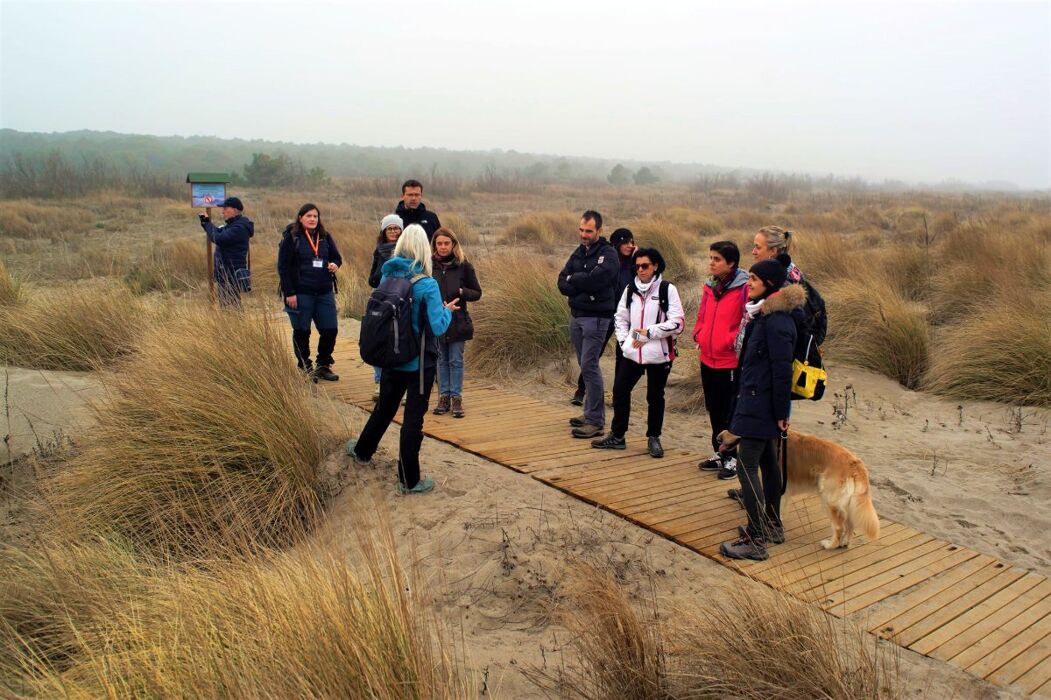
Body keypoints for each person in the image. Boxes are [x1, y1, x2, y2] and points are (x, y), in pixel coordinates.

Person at [346, 225, 459, 495]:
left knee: (384, 408)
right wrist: (448, 312)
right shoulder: (427, 284)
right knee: (412, 420)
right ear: (423, 248)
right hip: (419, 363)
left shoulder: (388, 277)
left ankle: (362, 452)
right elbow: (438, 327)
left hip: (391, 359)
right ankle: (409, 480)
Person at [719, 259, 805, 561]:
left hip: (762, 405)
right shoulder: (765, 315)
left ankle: (756, 537)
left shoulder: (777, 322)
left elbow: (782, 372)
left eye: (754, 279)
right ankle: (772, 524)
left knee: (746, 464)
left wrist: (782, 414)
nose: (749, 283)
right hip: (757, 401)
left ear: (769, 283)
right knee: (769, 463)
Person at [591, 247, 684, 458]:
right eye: (637, 266)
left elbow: (677, 323)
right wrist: (626, 343)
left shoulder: (667, 290)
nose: (640, 270)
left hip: (658, 355)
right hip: (632, 354)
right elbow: (621, 318)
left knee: (655, 396)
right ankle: (617, 435)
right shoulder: (630, 289)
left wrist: (649, 333)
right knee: (620, 390)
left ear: (656, 266)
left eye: (645, 266)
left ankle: (654, 438)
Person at [558, 210, 620, 439]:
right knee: (586, 366)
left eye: (589, 231)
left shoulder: (608, 254)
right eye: (581, 230)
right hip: (577, 315)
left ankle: (596, 421)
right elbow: (561, 281)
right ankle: (590, 412)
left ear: (599, 231)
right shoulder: (579, 252)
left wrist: (575, 280)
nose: (584, 235)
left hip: (597, 318)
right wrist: (579, 281)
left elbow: (598, 280)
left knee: (590, 365)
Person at [693, 241, 749, 480]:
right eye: (711, 258)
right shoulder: (710, 286)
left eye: (717, 259)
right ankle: (719, 453)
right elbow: (702, 314)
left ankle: (733, 458)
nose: (711, 263)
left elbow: (746, 320)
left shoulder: (743, 287)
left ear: (731, 263)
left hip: (729, 361)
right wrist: (699, 333)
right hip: (708, 357)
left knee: (730, 411)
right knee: (714, 409)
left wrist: (731, 340)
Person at [277, 203, 343, 381]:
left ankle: (323, 365)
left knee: (330, 330)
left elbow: (337, 257)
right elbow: (282, 267)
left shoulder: (325, 237)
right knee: (302, 331)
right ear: (300, 218)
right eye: (308, 216)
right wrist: (289, 292)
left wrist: (335, 264)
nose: (312, 219)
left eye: (315, 216)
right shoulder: (292, 237)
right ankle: (305, 366)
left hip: (324, 292)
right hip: (300, 293)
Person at [571, 227, 635, 406]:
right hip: (607, 313)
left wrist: (637, 257)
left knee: (622, 356)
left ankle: (617, 396)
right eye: (626, 242)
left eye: (632, 242)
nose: (630, 246)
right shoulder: (608, 262)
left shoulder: (635, 264)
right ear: (617, 243)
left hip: (627, 318)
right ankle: (581, 390)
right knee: (593, 354)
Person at [430, 227, 482, 418]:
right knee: (441, 360)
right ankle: (443, 398)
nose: (443, 247)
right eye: (439, 243)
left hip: (458, 321)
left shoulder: (463, 266)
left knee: (455, 360)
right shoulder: (429, 266)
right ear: (434, 245)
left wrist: (462, 292)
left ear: (453, 244)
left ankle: (456, 399)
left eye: (446, 243)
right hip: (437, 321)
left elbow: (477, 292)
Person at [752, 225, 827, 349]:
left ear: (773, 251)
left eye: (758, 247)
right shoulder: (792, 271)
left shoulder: (780, 281)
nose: (753, 252)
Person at [367, 214, 404, 399]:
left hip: (402, 300)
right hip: (382, 299)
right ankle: (379, 382)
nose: (393, 231)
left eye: (396, 228)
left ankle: (399, 387)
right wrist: (381, 276)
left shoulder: (407, 249)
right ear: (383, 231)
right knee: (378, 340)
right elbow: (372, 279)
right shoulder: (379, 250)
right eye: (389, 228)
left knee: (399, 341)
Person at [198, 196, 254, 306]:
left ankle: (236, 323)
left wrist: (207, 223)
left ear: (234, 210)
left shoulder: (239, 228)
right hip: (226, 273)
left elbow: (219, 238)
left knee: (231, 307)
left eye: (225, 208)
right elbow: (218, 232)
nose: (222, 211)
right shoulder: (233, 225)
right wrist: (206, 222)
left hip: (231, 274)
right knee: (228, 305)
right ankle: (234, 323)